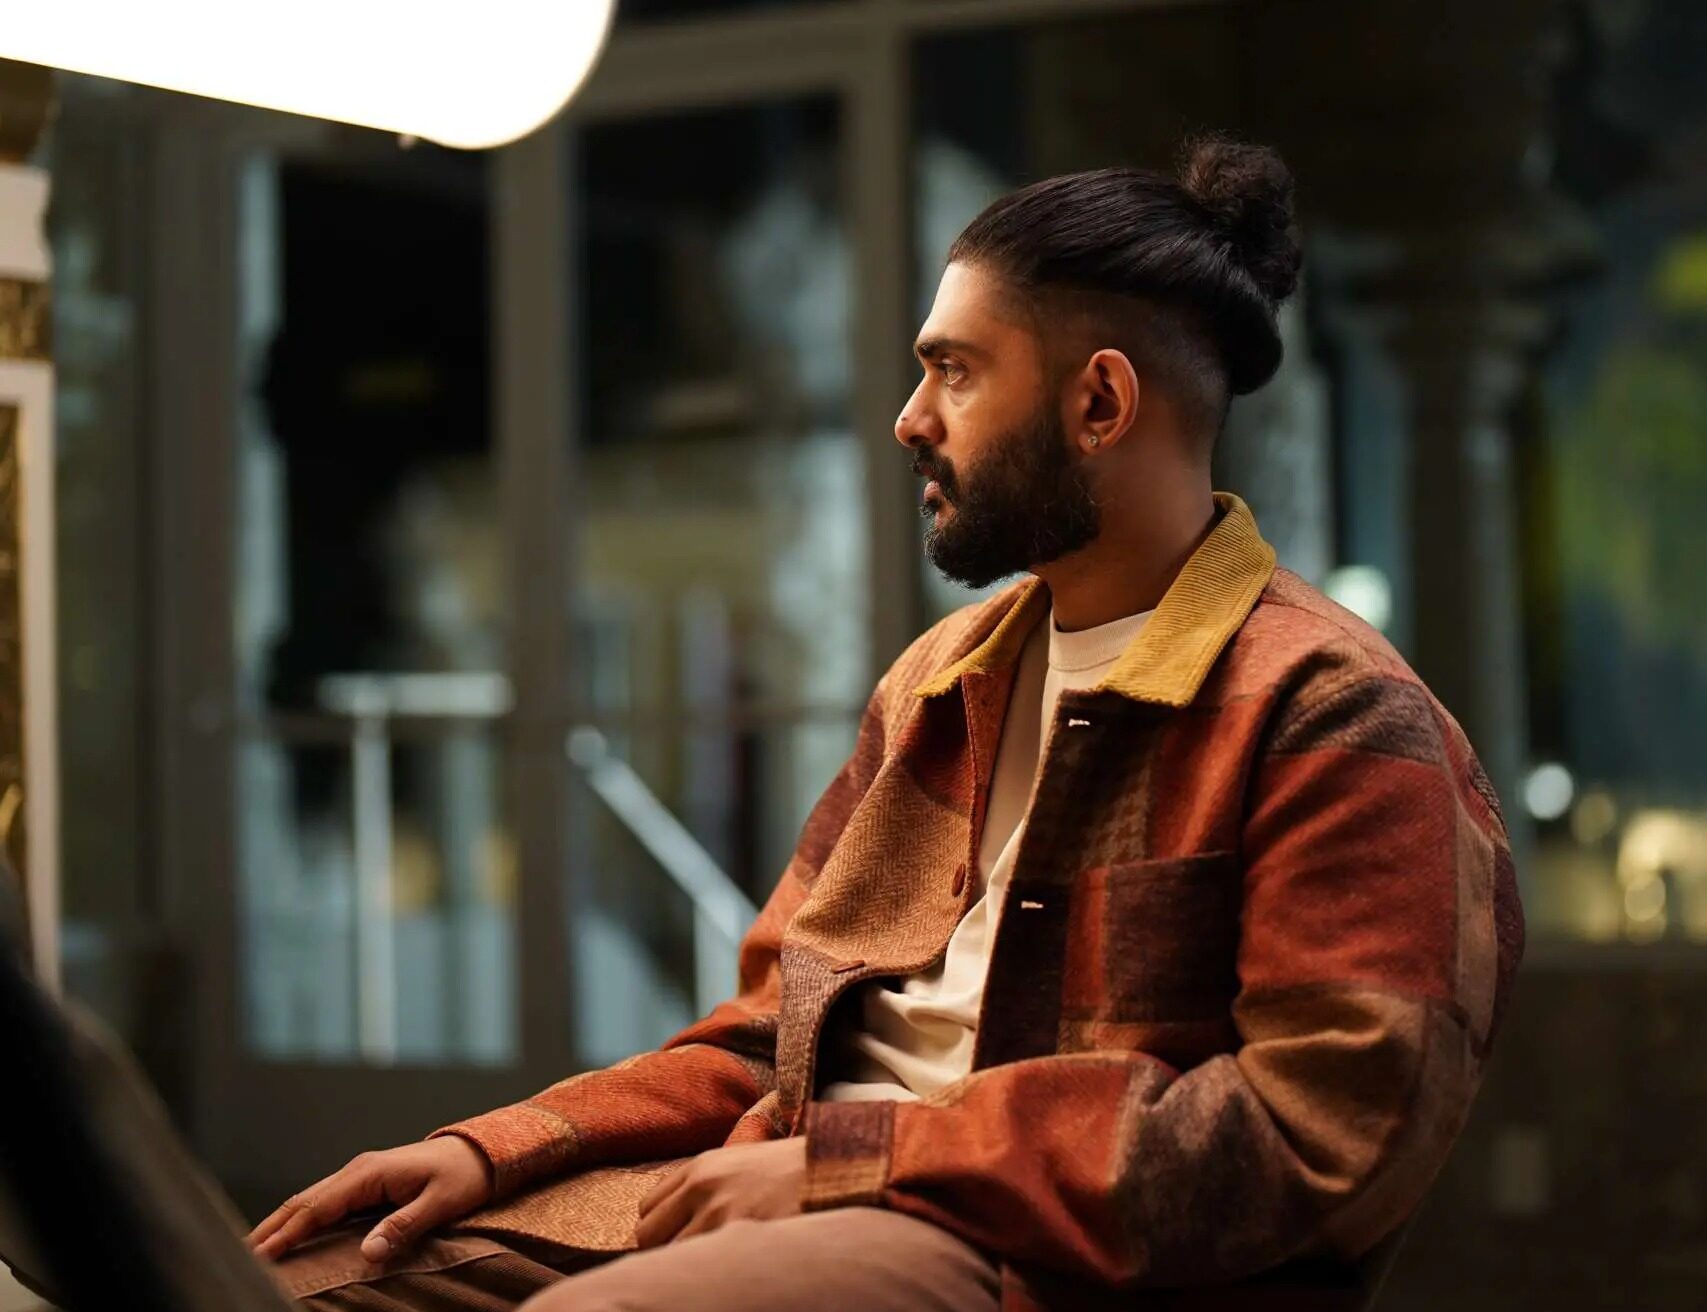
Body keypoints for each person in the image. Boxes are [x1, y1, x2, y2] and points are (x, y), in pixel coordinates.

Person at [251, 136, 1524, 1312]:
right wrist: (489, 1149)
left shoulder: (1335, 714)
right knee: (284, 1278)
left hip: (1028, 1259)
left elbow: (1317, 1135)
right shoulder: (940, 683)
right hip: (792, 1186)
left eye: (955, 371)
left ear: (1100, 404)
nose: (911, 417)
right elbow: (769, 1037)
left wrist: (858, 1161)